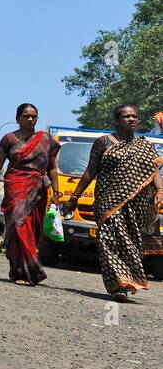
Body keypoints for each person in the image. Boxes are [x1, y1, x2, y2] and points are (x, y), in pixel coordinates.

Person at [61, 105, 163, 297]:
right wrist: (75, 197)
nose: (131, 119)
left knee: (130, 242)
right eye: (126, 116)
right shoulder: (104, 143)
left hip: (136, 205)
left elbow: (153, 170)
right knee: (109, 240)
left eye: (134, 116)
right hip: (108, 202)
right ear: (117, 121)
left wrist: (160, 191)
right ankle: (118, 285)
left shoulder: (144, 146)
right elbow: (90, 171)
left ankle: (128, 281)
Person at [0, 104, 59, 285]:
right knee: (19, 226)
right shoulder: (9, 139)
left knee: (33, 229)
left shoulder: (46, 139)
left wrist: (56, 193)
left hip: (38, 190)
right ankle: (23, 271)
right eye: (26, 116)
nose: (30, 119)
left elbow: (52, 168)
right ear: (18, 118)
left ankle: (24, 267)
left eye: (34, 116)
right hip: (15, 187)